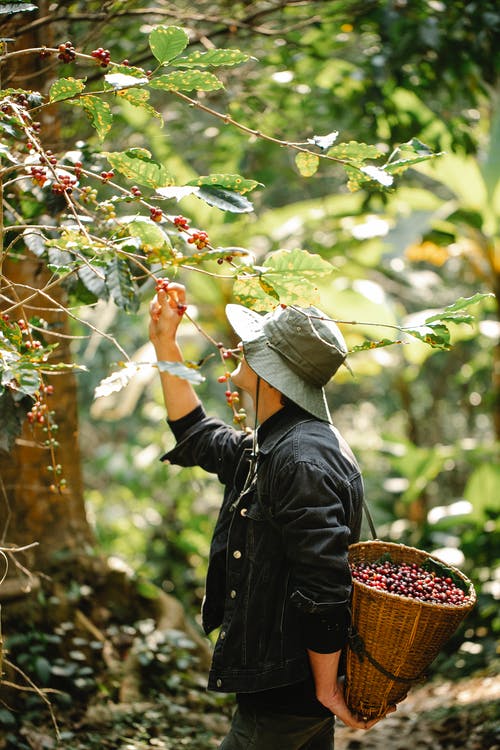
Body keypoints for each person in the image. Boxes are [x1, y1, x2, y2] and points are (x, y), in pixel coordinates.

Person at [149, 282, 394, 749]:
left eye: (256, 345)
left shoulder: (300, 457)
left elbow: (325, 585)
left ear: (274, 371)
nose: (242, 347)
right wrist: (165, 342)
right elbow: (198, 435)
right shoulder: (277, 443)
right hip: (281, 689)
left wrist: (325, 689)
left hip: (288, 694)